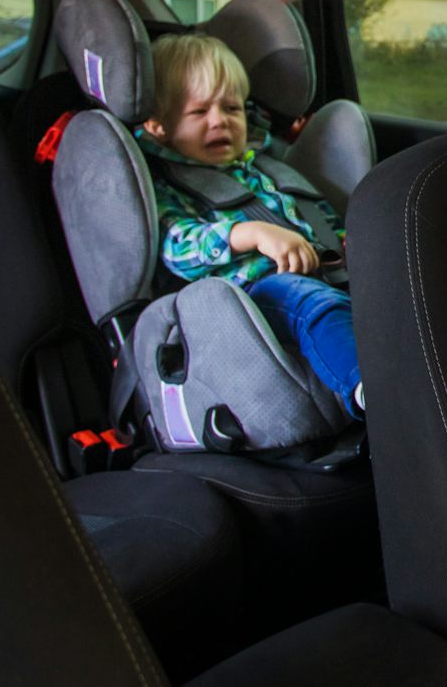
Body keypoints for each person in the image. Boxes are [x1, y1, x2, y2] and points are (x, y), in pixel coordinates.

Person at [138, 32, 364, 419]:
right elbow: (177, 247)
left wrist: (352, 245)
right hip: (251, 297)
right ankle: (370, 390)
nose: (219, 122)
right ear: (160, 125)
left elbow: (321, 221)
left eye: (231, 108)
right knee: (312, 305)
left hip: (320, 274)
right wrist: (250, 234)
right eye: (199, 112)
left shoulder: (266, 170)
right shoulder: (164, 186)